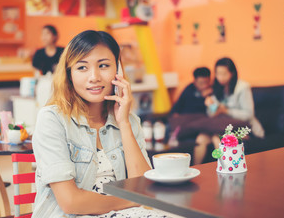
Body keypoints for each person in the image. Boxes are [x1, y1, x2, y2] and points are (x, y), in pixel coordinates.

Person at [32, 30, 178, 217]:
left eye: (103, 65)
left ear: (118, 71)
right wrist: (132, 199)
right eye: (82, 67)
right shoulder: (52, 119)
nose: (94, 77)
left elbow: (142, 185)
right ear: (69, 74)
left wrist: (123, 123)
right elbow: (70, 202)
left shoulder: (129, 120)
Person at [193, 57, 265, 164]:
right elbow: (212, 115)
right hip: (223, 126)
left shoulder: (242, 87)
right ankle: (195, 170)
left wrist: (226, 111)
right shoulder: (217, 88)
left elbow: (248, 114)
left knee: (218, 138)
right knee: (201, 138)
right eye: (218, 74)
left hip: (245, 128)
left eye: (224, 74)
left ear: (232, 73)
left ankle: (226, 173)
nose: (220, 77)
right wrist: (211, 106)